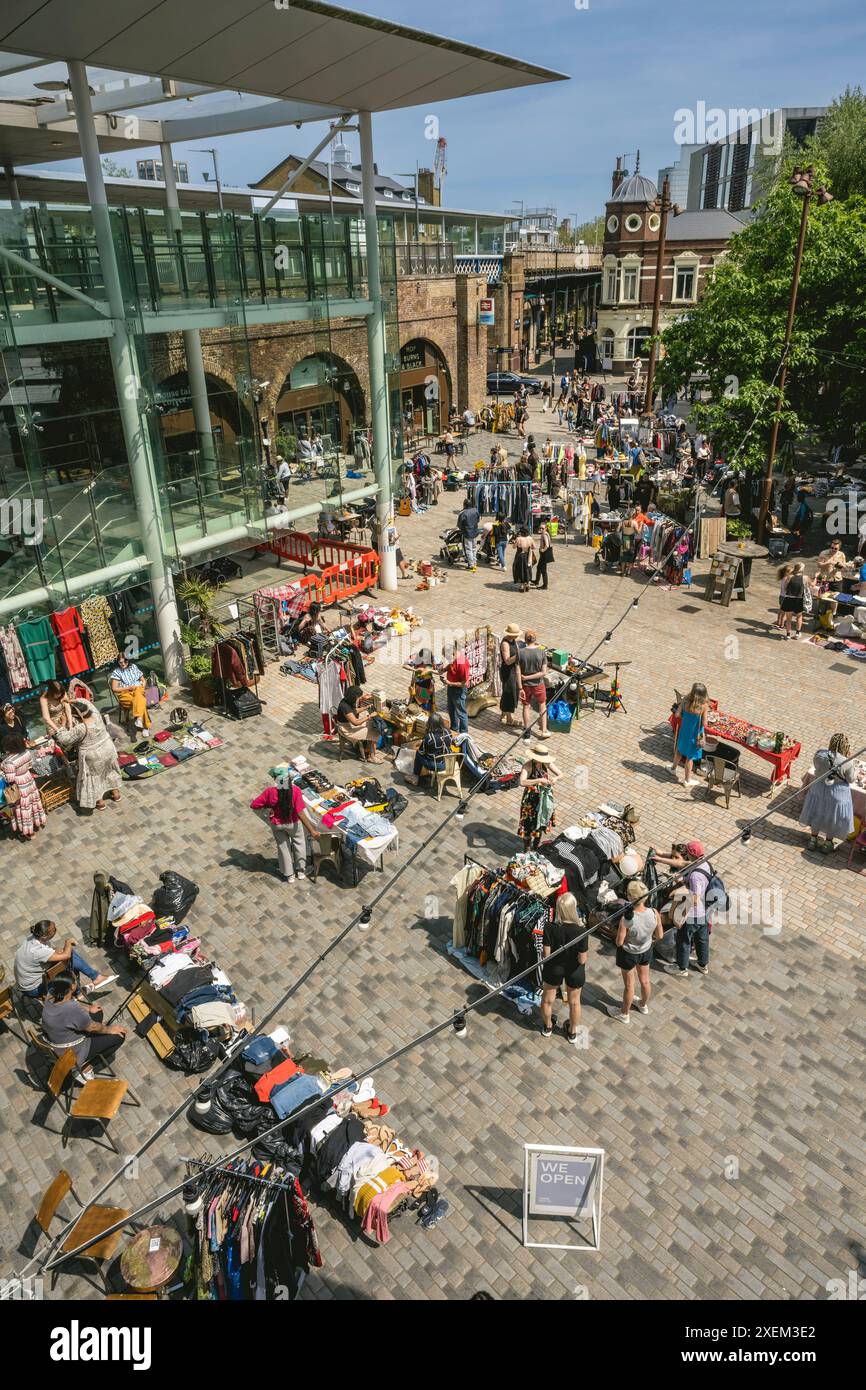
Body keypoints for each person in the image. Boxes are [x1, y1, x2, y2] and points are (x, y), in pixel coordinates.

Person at [41, 973, 127, 1082]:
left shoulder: (51, 993)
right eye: (76, 980)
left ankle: (91, 1046)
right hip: (71, 1052)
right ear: (72, 986)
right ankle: (84, 1068)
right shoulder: (72, 1010)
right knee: (119, 1036)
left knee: (97, 1012)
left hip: (56, 1038)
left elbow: (71, 1003)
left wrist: (89, 1007)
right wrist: (110, 1029)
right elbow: (93, 1027)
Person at [652, 841, 712, 977]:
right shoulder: (704, 863)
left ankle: (681, 968)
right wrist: (661, 859)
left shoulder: (696, 876)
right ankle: (703, 964)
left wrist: (680, 891)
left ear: (690, 854)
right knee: (702, 939)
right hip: (703, 912)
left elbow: (695, 899)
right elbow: (682, 864)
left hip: (692, 913)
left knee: (683, 940)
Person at [13, 920, 116, 999]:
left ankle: (89, 980)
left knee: (69, 957)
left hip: (26, 980)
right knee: (69, 959)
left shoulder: (34, 937)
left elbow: (51, 950)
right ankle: (79, 989)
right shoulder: (37, 951)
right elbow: (66, 956)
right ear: (44, 936)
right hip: (33, 988)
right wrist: (68, 943)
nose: (56, 930)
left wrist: (62, 951)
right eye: (54, 930)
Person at [606, 880, 663, 1022]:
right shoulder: (654, 912)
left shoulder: (627, 919)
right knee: (645, 980)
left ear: (631, 897)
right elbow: (660, 935)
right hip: (646, 950)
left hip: (628, 954)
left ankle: (624, 1013)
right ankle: (643, 1005)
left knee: (629, 985)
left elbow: (619, 942)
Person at [250, 769, 321, 883]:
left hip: (277, 824)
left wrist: (269, 806)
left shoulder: (270, 792)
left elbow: (254, 805)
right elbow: (300, 813)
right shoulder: (296, 791)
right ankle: (301, 871)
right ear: (288, 779)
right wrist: (312, 830)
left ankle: (290, 875)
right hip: (293, 823)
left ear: (275, 779)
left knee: (284, 849)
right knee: (299, 844)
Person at [54, 699, 123, 811]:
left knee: (93, 777)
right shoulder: (96, 714)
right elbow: (87, 703)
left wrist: (62, 725)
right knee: (109, 770)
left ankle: (100, 802)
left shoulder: (81, 728)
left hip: (93, 755)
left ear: (76, 717)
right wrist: (73, 700)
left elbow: (64, 739)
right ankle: (116, 794)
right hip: (108, 747)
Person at [540, 893, 587, 1043]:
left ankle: (548, 1027)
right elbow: (582, 959)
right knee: (574, 1002)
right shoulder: (581, 931)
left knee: (547, 1000)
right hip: (574, 969)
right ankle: (572, 1032)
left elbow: (546, 954)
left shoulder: (549, 927)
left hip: (554, 966)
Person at [799, 733, 856, 854]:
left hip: (818, 789)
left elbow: (816, 767)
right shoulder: (847, 762)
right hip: (837, 793)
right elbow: (851, 779)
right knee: (832, 818)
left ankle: (813, 840)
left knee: (817, 813)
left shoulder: (820, 754)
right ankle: (827, 843)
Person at [1, 732, 45, 839]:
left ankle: (28, 833)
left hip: (19, 786)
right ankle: (36, 823)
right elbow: (30, 765)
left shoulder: (9, 762)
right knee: (32, 803)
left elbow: (9, 779)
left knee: (23, 808)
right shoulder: (26, 753)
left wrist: (2, 771)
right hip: (28, 780)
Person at [518, 741, 562, 849]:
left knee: (541, 822)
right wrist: (538, 780)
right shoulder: (527, 766)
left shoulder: (546, 763)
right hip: (531, 800)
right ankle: (527, 849)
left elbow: (561, 774)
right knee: (528, 824)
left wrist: (555, 778)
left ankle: (536, 847)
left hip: (542, 799)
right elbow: (522, 782)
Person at [334, 686, 384, 763]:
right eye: (359, 697)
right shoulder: (345, 707)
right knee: (375, 731)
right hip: (347, 730)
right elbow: (356, 723)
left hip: (348, 725)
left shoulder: (346, 701)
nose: (359, 698)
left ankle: (372, 749)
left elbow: (354, 711)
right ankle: (372, 756)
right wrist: (369, 716)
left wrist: (366, 707)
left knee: (372, 725)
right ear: (354, 697)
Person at [673, 682, 709, 786]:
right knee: (690, 757)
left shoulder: (685, 701)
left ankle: (673, 769)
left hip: (684, 731)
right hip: (696, 734)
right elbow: (704, 723)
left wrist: (686, 718)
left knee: (679, 750)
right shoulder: (704, 706)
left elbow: (677, 714)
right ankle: (687, 780)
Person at [517, 631, 549, 740]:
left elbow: (518, 672)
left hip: (525, 686)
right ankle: (544, 731)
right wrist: (531, 678)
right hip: (538, 684)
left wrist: (521, 686)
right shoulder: (541, 653)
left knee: (526, 706)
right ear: (535, 640)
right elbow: (543, 672)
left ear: (525, 640)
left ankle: (526, 731)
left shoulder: (520, 652)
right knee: (542, 705)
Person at [109, 654, 151, 733]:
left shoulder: (133, 667)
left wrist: (143, 685)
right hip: (125, 694)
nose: (123, 664)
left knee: (139, 697)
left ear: (128, 660)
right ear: (118, 662)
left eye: (125, 661)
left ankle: (139, 719)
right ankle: (145, 726)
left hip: (138, 690)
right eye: (121, 662)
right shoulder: (117, 672)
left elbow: (143, 679)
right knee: (140, 701)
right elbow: (114, 689)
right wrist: (128, 688)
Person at [410, 712, 455, 784]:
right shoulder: (448, 731)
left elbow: (422, 752)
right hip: (449, 762)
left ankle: (415, 777)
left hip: (436, 765)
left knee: (418, 754)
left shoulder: (429, 737)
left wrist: (422, 743)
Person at [499, 623, 522, 727]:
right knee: (509, 693)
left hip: (513, 670)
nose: (517, 636)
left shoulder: (513, 641)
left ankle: (504, 712)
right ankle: (509, 719)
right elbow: (507, 661)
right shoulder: (505, 643)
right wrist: (518, 655)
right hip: (507, 671)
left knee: (512, 691)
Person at [778, 562, 810, 639]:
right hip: (798, 600)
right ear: (802, 569)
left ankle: (788, 635)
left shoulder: (789, 577)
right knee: (799, 617)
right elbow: (812, 585)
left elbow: (785, 588)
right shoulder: (805, 577)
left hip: (789, 599)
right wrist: (815, 577)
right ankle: (797, 633)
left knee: (789, 619)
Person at [442, 647, 470, 734]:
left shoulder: (462, 663)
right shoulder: (453, 658)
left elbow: (465, 683)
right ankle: (454, 729)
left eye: (447, 657)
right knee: (451, 709)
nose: (447, 659)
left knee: (461, 713)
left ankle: (464, 734)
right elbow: (450, 665)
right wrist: (444, 669)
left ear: (453, 654)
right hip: (451, 688)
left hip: (459, 690)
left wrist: (450, 683)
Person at [457, 494, 480, 571]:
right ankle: (475, 562)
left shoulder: (463, 513)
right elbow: (478, 520)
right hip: (475, 532)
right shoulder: (475, 511)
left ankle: (471, 565)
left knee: (468, 549)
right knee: (474, 548)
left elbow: (459, 525)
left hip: (467, 533)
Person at [512, 526, 536, 593]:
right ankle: (527, 583)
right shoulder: (530, 538)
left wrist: (515, 542)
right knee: (527, 568)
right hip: (527, 555)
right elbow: (534, 547)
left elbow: (514, 547)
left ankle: (522, 585)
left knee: (519, 569)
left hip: (519, 555)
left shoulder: (518, 538)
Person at [533, 522, 554, 590]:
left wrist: (542, 550)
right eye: (540, 528)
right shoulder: (546, 533)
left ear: (546, 528)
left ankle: (545, 585)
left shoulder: (544, 534)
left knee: (543, 570)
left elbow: (547, 545)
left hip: (544, 554)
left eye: (543, 528)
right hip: (543, 554)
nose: (541, 529)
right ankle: (536, 581)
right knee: (539, 567)